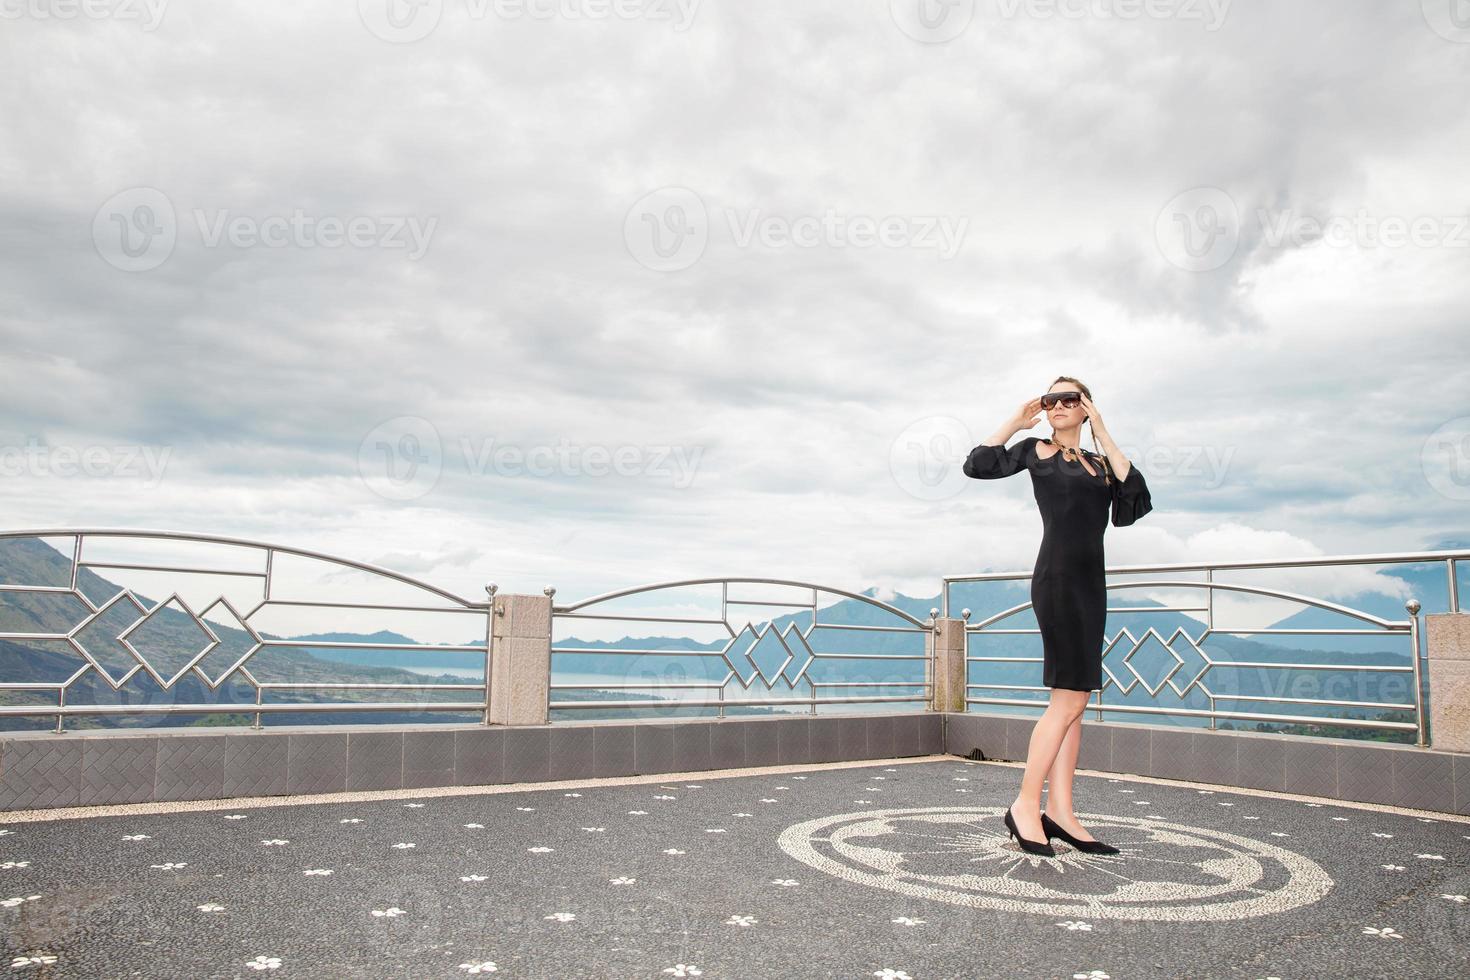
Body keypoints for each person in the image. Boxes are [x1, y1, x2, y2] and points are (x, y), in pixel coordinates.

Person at [962, 376, 1153, 857]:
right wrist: (1015, 420)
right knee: (1066, 701)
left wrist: (1103, 428)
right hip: (1059, 581)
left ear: (1086, 408)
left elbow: (1135, 499)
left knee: (1077, 700)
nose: (1060, 406)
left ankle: (1062, 812)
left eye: (1072, 399)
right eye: (1053, 400)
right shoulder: (1034, 450)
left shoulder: (1101, 464)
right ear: (1044, 409)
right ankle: (1026, 805)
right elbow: (978, 465)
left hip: (1092, 586)